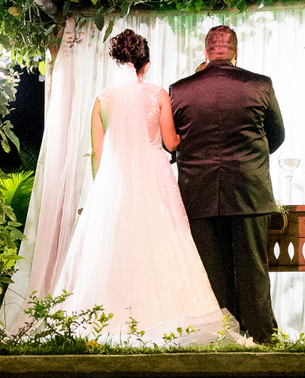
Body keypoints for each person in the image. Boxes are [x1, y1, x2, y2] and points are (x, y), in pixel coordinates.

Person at [54, 29, 245, 345]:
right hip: (155, 183)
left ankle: (110, 320)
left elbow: (98, 154)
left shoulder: (101, 100)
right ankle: (165, 315)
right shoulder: (158, 95)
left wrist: (102, 192)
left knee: (116, 251)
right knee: (162, 246)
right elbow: (171, 143)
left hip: (115, 187)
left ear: (117, 62)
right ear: (147, 64)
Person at [169, 25, 285, 343]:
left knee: (211, 272)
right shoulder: (260, 85)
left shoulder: (179, 90)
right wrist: (251, 159)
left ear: (206, 52)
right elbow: (276, 136)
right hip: (249, 189)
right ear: (236, 51)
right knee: (253, 270)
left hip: (198, 193)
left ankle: (219, 338)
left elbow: (174, 143)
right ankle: (263, 337)